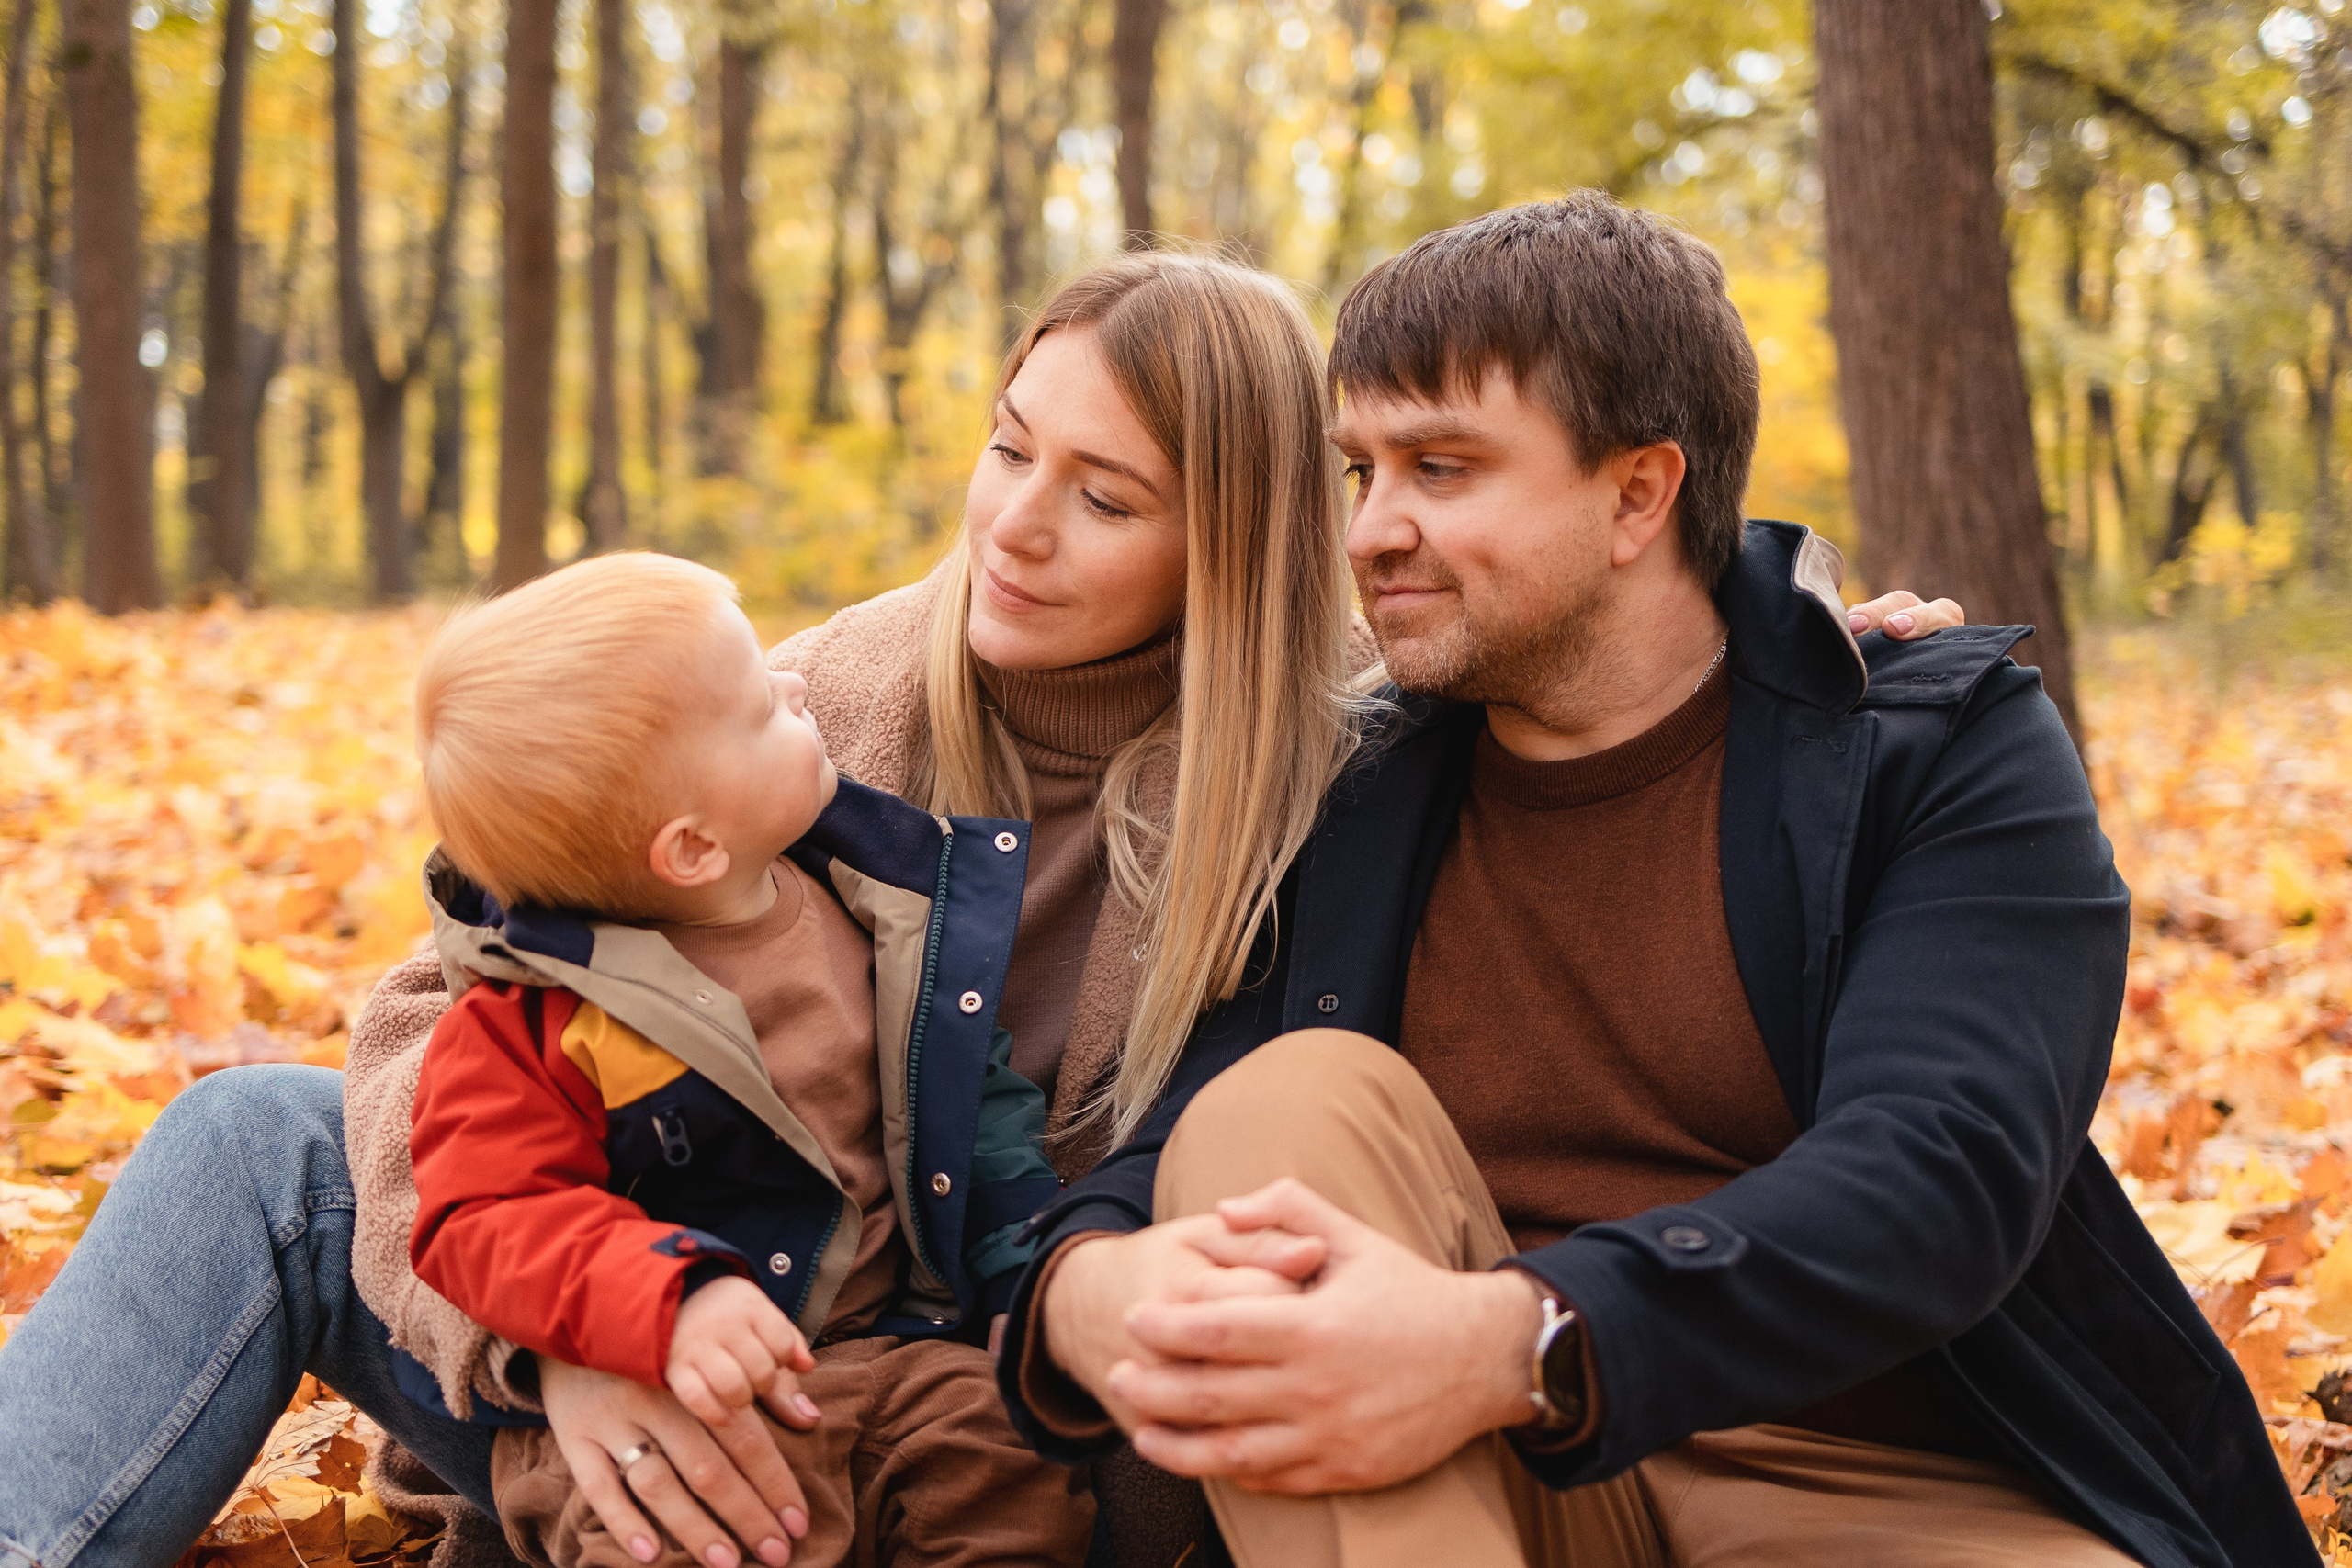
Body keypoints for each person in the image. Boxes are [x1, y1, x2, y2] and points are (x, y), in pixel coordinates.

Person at [0, 247, 1959, 1568]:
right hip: (626, 1286)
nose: (1016, 524)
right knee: (253, 1139)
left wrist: (1802, 650)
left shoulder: (1330, 771)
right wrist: (563, 1341)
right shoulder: (818, 695)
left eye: (1107, 499)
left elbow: (1606, 633)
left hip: (951, 1393)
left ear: (1237, 539)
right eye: (1008, 449)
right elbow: (456, 1008)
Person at [1001, 197, 2314, 1568]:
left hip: (1884, 1485)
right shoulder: (1361, 783)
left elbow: (1939, 1177)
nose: (1372, 530)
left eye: (1440, 469)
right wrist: (1082, 1289)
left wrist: (1517, 1333)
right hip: (1464, 1485)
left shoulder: (1930, 752)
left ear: (1640, 491)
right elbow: (1188, 1127)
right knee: (1283, 1098)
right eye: (1361, 472)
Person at [395, 552, 1089, 1568]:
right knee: (679, 1532)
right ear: (690, 850)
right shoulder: (540, 1018)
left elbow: (973, 1100)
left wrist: (1021, 1269)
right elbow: (484, 1219)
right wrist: (665, 1297)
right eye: (762, 705)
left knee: (1004, 1475)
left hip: (895, 1347)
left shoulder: (874, 905)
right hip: (667, 1383)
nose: (797, 684)